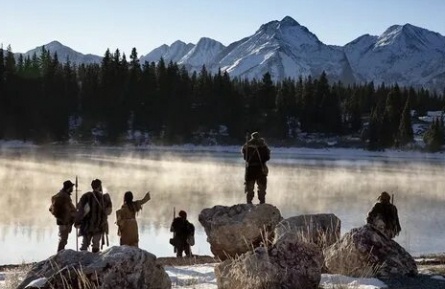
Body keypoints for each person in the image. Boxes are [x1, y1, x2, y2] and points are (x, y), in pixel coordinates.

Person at [75, 179, 112, 253]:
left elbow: (80, 210)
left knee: (85, 245)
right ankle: (94, 263)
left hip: (87, 226)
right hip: (99, 226)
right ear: (99, 186)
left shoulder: (86, 196)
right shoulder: (104, 198)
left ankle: (82, 261)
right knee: (95, 246)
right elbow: (108, 212)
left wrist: (77, 222)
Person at [242, 132, 271, 204]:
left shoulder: (247, 146)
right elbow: (267, 157)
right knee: (262, 187)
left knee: (250, 187)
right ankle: (262, 202)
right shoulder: (263, 146)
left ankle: (249, 202)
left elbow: (245, 157)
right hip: (260, 169)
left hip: (251, 169)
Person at [49, 180, 77, 252]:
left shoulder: (64, 195)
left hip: (65, 221)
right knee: (63, 240)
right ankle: (59, 255)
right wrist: (65, 218)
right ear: (69, 188)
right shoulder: (63, 196)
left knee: (63, 240)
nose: (72, 189)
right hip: (64, 222)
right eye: (71, 187)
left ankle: (59, 254)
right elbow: (58, 210)